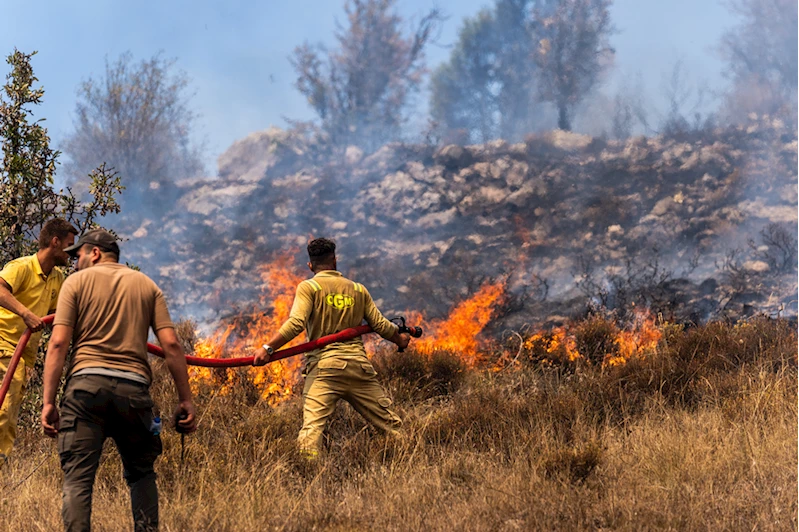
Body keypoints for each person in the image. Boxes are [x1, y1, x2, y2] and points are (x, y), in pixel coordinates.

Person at [40, 229, 197, 531]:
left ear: (95, 253)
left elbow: (58, 344)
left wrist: (48, 402)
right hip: (134, 391)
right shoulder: (147, 285)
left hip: (85, 391)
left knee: (78, 479)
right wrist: (185, 399)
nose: (74, 263)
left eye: (79, 255)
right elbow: (173, 346)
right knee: (141, 474)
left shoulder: (75, 283)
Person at [254, 238, 409, 459]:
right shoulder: (358, 289)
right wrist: (401, 340)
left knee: (311, 433)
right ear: (335, 261)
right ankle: (412, 461)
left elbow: (296, 323)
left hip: (325, 370)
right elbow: (381, 325)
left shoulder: (310, 287)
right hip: (359, 369)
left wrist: (268, 348)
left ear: (310, 266)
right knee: (393, 427)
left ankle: (308, 475)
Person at [0, 218, 77, 461]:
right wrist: (25, 313)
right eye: (69, 245)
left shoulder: (57, 279)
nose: (72, 253)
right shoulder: (21, 267)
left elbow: (60, 318)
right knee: (5, 405)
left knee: (10, 410)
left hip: (23, 356)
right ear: (55, 242)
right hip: (3, 345)